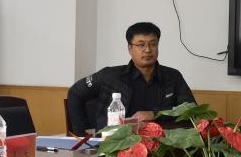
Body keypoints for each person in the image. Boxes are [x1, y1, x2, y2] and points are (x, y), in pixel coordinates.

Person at [66, 22, 195, 134]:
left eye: (153, 44)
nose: (148, 50)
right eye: (141, 45)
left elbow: (191, 108)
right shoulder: (110, 76)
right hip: (115, 144)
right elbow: (75, 92)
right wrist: (80, 134)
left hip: (161, 144)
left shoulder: (172, 76)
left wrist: (154, 114)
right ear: (130, 48)